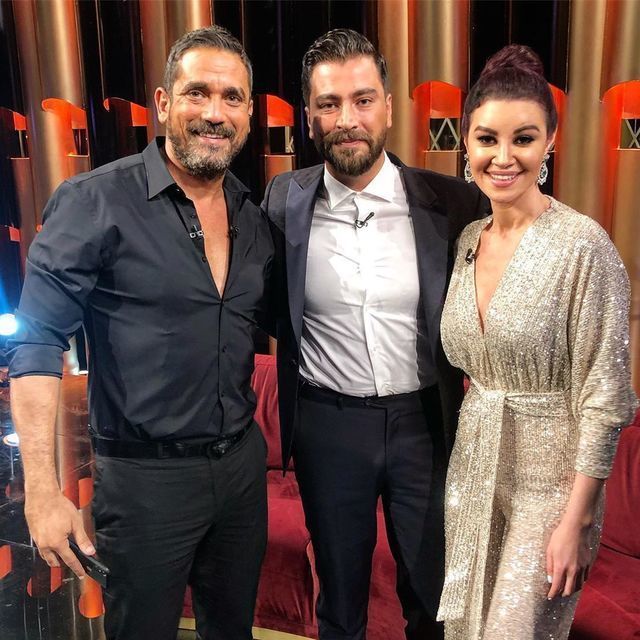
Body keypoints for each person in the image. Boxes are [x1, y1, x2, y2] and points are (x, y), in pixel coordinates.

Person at [8, 26, 273, 640]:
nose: (215, 112)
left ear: (248, 114)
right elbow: (37, 343)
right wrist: (42, 492)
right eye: (197, 92)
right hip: (144, 482)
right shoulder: (94, 201)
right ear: (162, 102)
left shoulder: (252, 214)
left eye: (232, 98)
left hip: (240, 470)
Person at [263, 29, 487, 640]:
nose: (347, 120)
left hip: (426, 425)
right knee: (339, 601)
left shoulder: (453, 202)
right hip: (328, 426)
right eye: (329, 103)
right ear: (310, 116)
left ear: (388, 107)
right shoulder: (283, 200)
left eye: (362, 100)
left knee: (432, 599)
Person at [436, 45, 638, 640]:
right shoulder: (467, 240)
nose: (503, 158)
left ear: (550, 141)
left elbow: (605, 394)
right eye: (487, 139)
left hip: (551, 489)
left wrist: (577, 519)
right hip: (474, 472)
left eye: (522, 139)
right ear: (467, 144)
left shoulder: (583, 246)